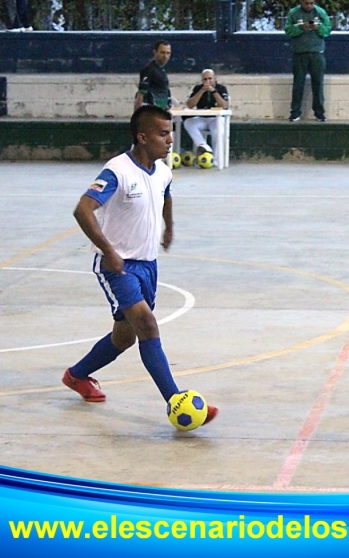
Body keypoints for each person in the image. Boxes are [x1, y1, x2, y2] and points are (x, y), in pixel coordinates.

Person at [62, 105, 218, 428]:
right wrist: (108, 250)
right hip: (117, 267)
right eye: (163, 134)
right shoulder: (117, 170)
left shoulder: (163, 170)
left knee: (124, 338)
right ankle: (178, 402)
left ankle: (76, 375)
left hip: (148, 265)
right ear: (142, 137)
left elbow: (167, 195)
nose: (171, 140)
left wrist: (169, 226)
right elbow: (83, 209)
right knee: (147, 324)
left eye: (171, 132)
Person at [284, 0, 332, 122]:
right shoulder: (293, 13)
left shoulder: (320, 12)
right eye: (306, 3)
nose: (309, 6)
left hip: (317, 53)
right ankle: (295, 113)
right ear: (301, 2)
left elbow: (327, 30)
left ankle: (319, 113)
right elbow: (288, 30)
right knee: (298, 84)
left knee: (318, 84)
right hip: (299, 54)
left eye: (311, 3)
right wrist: (300, 28)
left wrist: (318, 27)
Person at [183, 69, 229, 157]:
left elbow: (224, 105)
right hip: (202, 118)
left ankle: (216, 158)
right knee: (188, 123)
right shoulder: (198, 88)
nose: (207, 81)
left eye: (210, 79)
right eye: (205, 79)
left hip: (216, 119)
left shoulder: (221, 88)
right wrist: (201, 91)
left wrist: (213, 91)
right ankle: (204, 146)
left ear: (215, 79)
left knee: (218, 132)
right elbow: (190, 105)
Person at [134, 40, 172, 111]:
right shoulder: (149, 70)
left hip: (163, 109)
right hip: (152, 111)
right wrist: (136, 115)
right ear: (155, 52)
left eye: (168, 53)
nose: (165, 56)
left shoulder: (161, 70)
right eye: (162, 52)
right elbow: (141, 93)